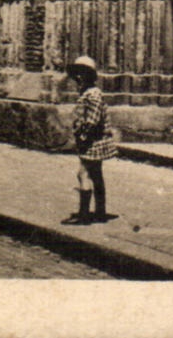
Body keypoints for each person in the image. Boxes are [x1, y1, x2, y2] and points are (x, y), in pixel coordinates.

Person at [63, 55, 117, 225]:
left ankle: (84, 214)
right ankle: (100, 212)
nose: (78, 78)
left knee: (83, 173)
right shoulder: (88, 93)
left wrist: (82, 136)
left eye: (82, 74)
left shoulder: (93, 95)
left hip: (93, 141)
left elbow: (92, 120)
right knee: (96, 174)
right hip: (93, 140)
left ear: (89, 76)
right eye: (77, 74)